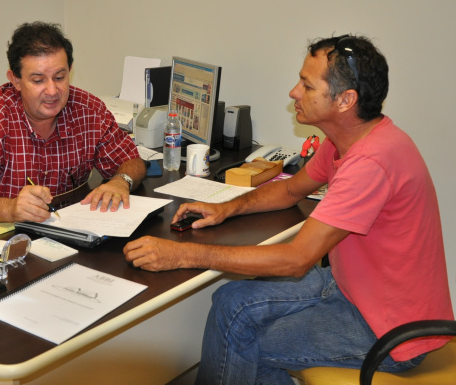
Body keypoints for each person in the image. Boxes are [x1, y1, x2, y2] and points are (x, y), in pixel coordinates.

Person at [123, 35, 453, 384]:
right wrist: (224, 209)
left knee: (238, 337)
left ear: (345, 100)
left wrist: (183, 254)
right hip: (353, 288)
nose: (294, 92)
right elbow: (290, 190)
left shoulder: (371, 162)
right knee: (230, 301)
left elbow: (296, 260)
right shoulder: (348, 139)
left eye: (307, 85)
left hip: (389, 330)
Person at [0, 22, 146, 223]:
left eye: (59, 77)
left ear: (70, 71)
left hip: (70, 234)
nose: (52, 91)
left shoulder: (88, 109)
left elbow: (131, 160)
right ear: (15, 80)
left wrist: (122, 181)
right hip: (2, 240)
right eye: (38, 81)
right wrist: (10, 209)